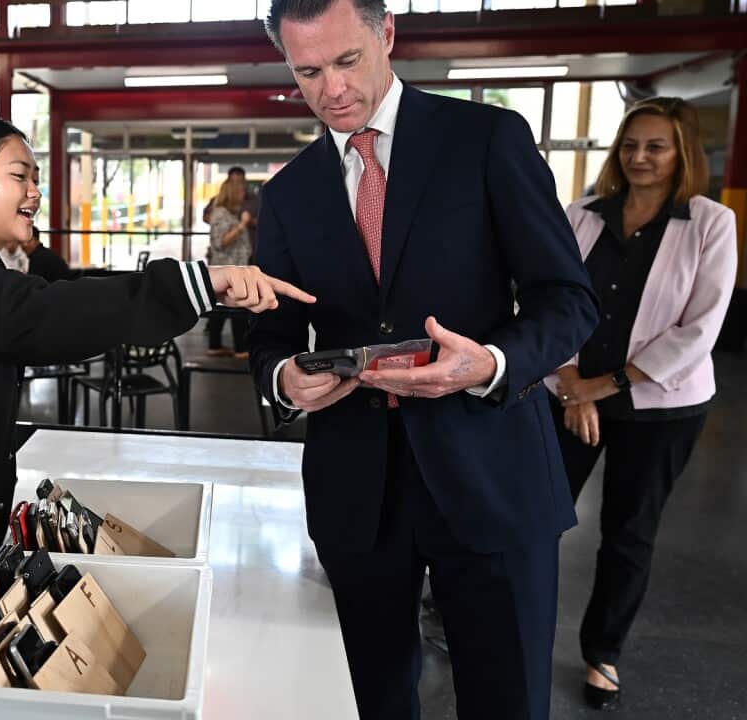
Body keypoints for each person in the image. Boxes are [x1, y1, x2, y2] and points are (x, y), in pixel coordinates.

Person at [248, 1, 599, 718]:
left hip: (491, 469)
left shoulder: (487, 139)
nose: (332, 89)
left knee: (507, 699)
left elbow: (568, 300)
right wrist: (283, 378)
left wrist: (492, 363)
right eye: (307, 72)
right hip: (357, 489)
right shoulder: (287, 193)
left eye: (347, 61)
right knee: (371, 700)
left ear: (387, 35)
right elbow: (272, 337)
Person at [0, 114, 314, 579]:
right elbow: (46, 314)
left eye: (36, 179)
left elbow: (54, 305)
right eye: (19, 176)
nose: (34, 192)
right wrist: (199, 283)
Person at [549, 97, 737, 711]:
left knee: (628, 532)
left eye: (656, 147)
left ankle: (603, 652)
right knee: (536, 515)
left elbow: (699, 329)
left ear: (682, 153)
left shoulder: (709, 222)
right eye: (630, 145)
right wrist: (570, 380)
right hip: (569, 391)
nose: (640, 157)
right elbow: (550, 298)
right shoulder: (582, 215)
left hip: (661, 406)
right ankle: (507, 622)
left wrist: (601, 387)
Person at [206, 178, 254, 358]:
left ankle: (216, 345)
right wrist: (242, 225)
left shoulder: (228, 213)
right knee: (236, 307)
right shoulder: (221, 213)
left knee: (224, 307)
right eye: (240, 191)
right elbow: (221, 242)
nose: (243, 195)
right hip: (227, 268)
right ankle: (240, 348)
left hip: (233, 267)